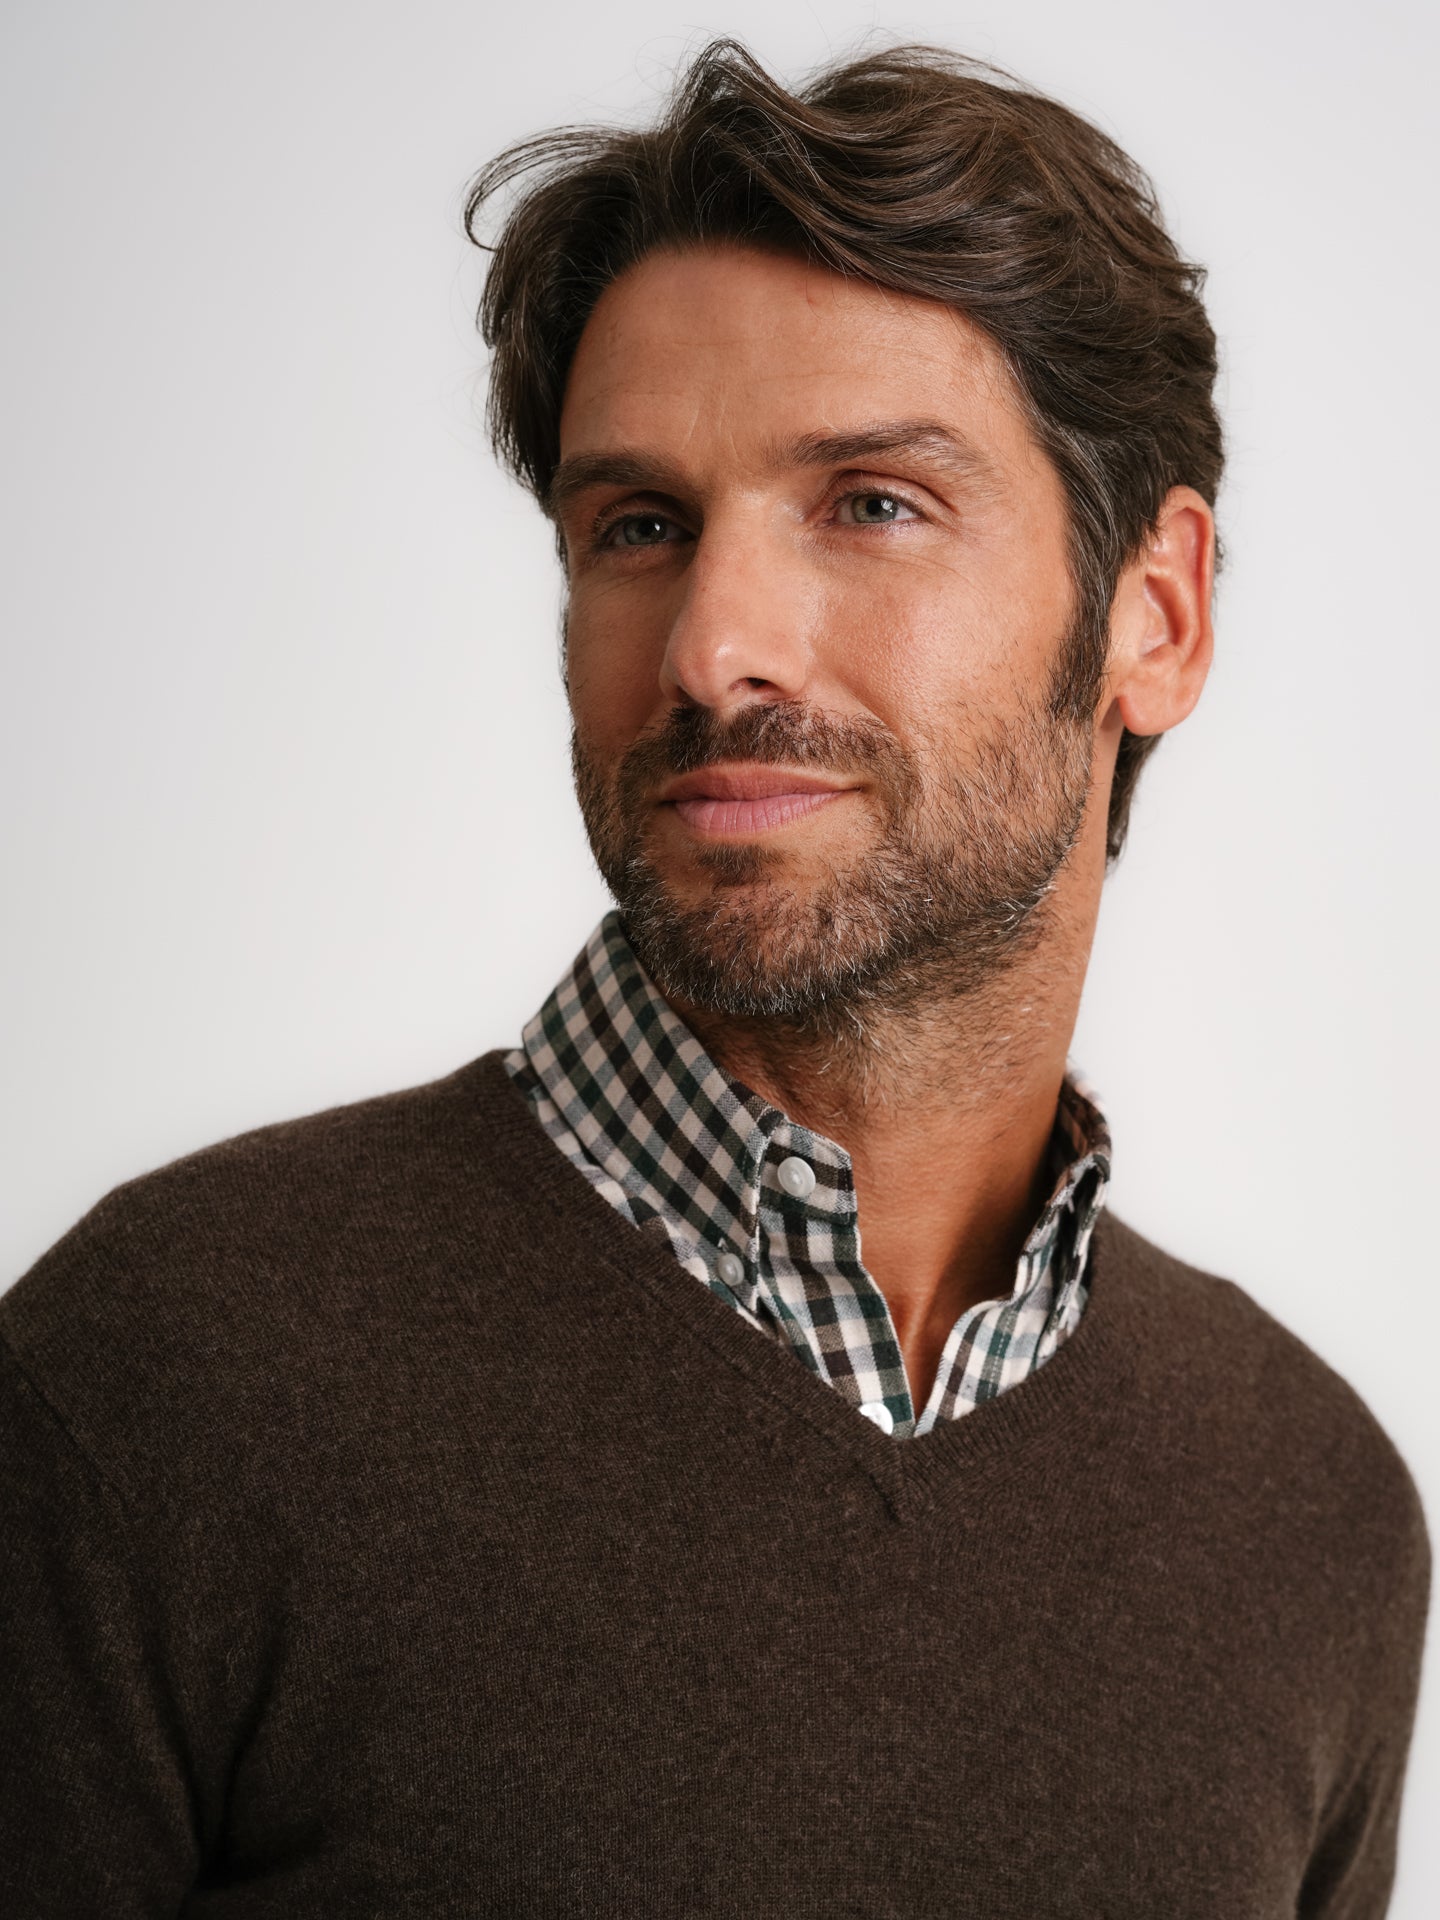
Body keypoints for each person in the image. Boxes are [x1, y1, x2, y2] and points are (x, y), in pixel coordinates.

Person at [0, 38, 1428, 1919]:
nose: (711, 647)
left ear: (1154, 615)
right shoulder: (156, 1384)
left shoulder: (1315, 1514)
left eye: (873, 502)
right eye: (639, 528)